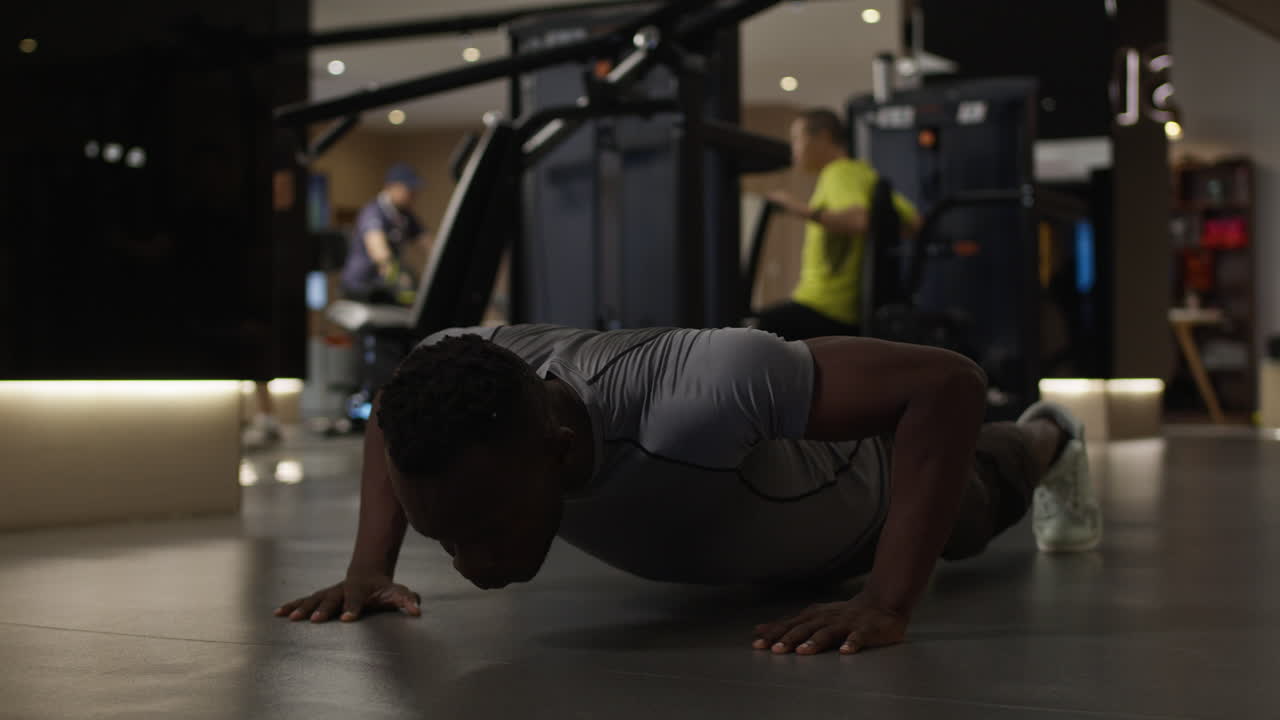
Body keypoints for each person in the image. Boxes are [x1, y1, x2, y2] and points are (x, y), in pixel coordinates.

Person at [275, 324, 1103, 656]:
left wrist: (887, 599)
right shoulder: (458, 379)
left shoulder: (703, 385)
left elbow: (948, 385)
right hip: (748, 520)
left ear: (559, 451)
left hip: (861, 499)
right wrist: (369, 565)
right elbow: (390, 413)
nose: (467, 562)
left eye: (484, 530)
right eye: (444, 537)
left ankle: (1051, 434)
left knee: (978, 501)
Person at [756, 108, 921, 340]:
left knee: (755, 329)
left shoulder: (838, 173)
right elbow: (914, 223)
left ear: (822, 137)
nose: (793, 147)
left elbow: (858, 220)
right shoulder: (865, 175)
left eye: (797, 138)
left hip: (826, 307)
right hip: (847, 310)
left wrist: (796, 207)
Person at [340, 163, 431, 307]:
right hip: (362, 285)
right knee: (407, 297)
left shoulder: (405, 215)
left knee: (418, 294)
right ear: (391, 187)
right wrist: (398, 277)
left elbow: (428, 244)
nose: (413, 195)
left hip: (385, 284)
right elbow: (379, 252)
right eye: (408, 189)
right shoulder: (373, 212)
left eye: (414, 190)